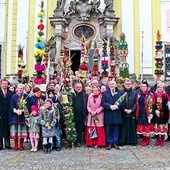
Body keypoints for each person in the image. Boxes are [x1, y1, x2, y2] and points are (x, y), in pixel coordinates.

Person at [101, 80, 124, 150]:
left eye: (113, 84)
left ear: (116, 85)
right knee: (109, 129)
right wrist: (110, 106)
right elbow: (103, 103)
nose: (112, 85)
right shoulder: (105, 93)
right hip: (109, 113)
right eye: (110, 84)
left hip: (117, 113)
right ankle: (110, 143)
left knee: (116, 129)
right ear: (108, 85)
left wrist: (117, 106)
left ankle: (115, 143)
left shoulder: (120, 92)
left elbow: (123, 102)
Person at [9, 83, 31, 151]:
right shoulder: (13, 96)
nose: (20, 90)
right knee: (15, 132)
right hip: (15, 116)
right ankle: (16, 145)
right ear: (17, 89)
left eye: (21, 88)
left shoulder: (26, 96)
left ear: (23, 89)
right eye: (19, 88)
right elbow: (11, 105)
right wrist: (15, 110)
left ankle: (21, 145)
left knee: (21, 132)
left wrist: (23, 110)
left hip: (22, 116)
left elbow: (28, 105)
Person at [136, 80, 155, 146]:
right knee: (142, 125)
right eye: (142, 86)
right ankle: (144, 138)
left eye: (144, 86)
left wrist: (151, 113)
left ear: (147, 87)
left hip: (147, 112)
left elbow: (153, 105)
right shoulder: (138, 94)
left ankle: (147, 139)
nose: (143, 88)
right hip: (140, 112)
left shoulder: (150, 95)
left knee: (147, 126)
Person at [119, 79, 138, 146]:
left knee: (131, 127)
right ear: (124, 84)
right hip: (123, 112)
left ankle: (132, 141)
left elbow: (136, 103)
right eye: (126, 84)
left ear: (131, 85)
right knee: (123, 128)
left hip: (131, 112)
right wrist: (124, 109)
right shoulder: (121, 92)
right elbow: (119, 102)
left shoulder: (135, 93)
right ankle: (122, 141)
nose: (128, 85)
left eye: (129, 84)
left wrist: (131, 110)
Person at [72, 81, 87, 147]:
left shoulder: (85, 95)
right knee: (72, 128)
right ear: (74, 88)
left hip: (81, 115)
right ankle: (72, 141)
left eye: (80, 87)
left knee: (80, 129)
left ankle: (78, 141)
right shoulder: (71, 94)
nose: (79, 88)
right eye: (77, 87)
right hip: (73, 115)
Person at [0, 79, 14, 150]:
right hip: (1, 113)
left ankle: (7, 144)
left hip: (8, 113)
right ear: (1, 84)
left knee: (7, 129)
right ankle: (0, 145)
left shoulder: (11, 93)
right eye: (3, 83)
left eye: (6, 83)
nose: (5, 85)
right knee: (0, 129)